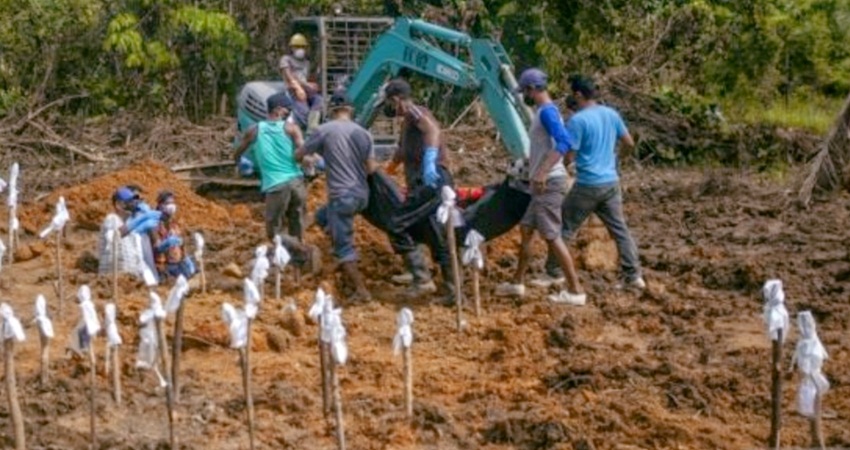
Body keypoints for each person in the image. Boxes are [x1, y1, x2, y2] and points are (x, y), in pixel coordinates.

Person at [542, 75, 645, 290]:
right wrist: (617, 160)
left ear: (578, 95)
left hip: (588, 184)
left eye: (572, 93)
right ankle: (633, 276)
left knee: (564, 227)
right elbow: (629, 142)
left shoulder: (578, 121)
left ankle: (554, 271)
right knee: (620, 230)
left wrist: (563, 165)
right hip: (610, 183)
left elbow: (569, 154)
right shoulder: (611, 114)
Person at [494, 68, 586, 305]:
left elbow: (565, 142)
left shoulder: (547, 112)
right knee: (526, 230)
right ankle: (517, 283)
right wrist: (530, 164)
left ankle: (576, 291)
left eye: (524, 90)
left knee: (552, 236)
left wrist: (543, 171)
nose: (522, 95)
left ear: (533, 89)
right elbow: (546, 146)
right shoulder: (542, 113)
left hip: (550, 183)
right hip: (540, 184)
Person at [296, 90, 378, 301]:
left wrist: (296, 151)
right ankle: (335, 253)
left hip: (342, 196)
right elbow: (371, 169)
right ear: (350, 110)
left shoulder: (324, 130)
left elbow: (300, 154)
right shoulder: (364, 133)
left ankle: (361, 290)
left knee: (344, 246)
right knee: (323, 216)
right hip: (362, 196)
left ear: (332, 110)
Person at [382, 78, 454, 302]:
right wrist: (389, 169)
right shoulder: (406, 121)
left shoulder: (413, 111)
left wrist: (430, 160)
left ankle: (422, 279)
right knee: (435, 235)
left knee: (396, 223)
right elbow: (402, 151)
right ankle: (452, 290)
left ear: (396, 100)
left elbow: (432, 130)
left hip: (429, 181)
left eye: (389, 103)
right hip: (427, 183)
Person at [233, 92, 321, 274]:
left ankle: (302, 253)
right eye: (287, 109)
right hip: (297, 183)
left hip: (276, 186)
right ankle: (299, 264)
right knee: (297, 224)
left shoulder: (255, 130)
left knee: (274, 232)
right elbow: (303, 154)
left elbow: (237, 151)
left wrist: (240, 162)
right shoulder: (292, 129)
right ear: (278, 110)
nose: (289, 112)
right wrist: (314, 161)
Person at [279, 33, 323, 132]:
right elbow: (290, 76)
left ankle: (312, 128)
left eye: (303, 47)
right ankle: (299, 130)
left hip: (304, 89)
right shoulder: (286, 59)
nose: (300, 49)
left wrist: (312, 86)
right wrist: (299, 88)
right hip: (292, 90)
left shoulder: (306, 63)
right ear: (291, 48)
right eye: (297, 46)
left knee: (319, 100)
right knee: (304, 111)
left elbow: (306, 78)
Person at [150, 191, 196, 280]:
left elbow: (181, 243)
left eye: (172, 203)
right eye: (167, 203)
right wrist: (164, 244)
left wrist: (186, 258)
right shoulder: (154, 224)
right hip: (164, 266)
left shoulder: (175, 223)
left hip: (179, 262)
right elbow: (156, 247)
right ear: (160, 205)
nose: (171, 206)